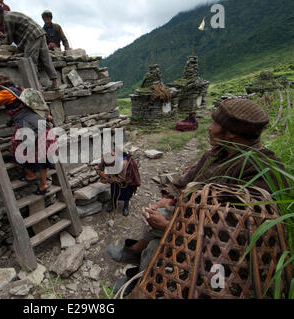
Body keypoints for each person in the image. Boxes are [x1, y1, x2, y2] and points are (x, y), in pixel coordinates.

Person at [108, 98, 286, 294]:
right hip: (191, 219)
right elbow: (186, 180)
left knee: (155, 247)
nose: (208, 128)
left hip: (215, 249)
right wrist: (167, 198)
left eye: (214, 124)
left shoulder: (261, 173)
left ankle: (142, 281)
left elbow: (232, 236)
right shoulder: (217, 154)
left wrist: (171, 227)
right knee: (157, 212)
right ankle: (137, 254)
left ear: (232, 133)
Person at [0, 75, 56, 195]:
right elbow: (38, 104)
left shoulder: (5, 93)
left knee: (16, 151)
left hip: (28, 127)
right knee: (42, 155)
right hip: (42, 125)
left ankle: (31, 175)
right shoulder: (21, 90)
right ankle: (42, 185)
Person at [0, 1, 59, 89]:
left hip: (32, 35)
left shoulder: (7, 19)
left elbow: (9, 40)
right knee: (46, 58)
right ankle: (55, 81)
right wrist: (3, 36)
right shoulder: (9, 15)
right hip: (40, 32)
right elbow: (13, 34)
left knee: (30, 60)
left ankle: (37, 84)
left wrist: (0, 44)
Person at [96, 148, 141, 217]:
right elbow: (99, 168)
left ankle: (126, 205)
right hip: (115, 177)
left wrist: (108, 179)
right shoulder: (106, 158)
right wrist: (100, 172)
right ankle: (113, 202)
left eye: (112, 164)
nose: (110, 166)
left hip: (126, 179)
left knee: (127, 192)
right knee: (114, 190)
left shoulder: (123, 163)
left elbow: (122, 179)